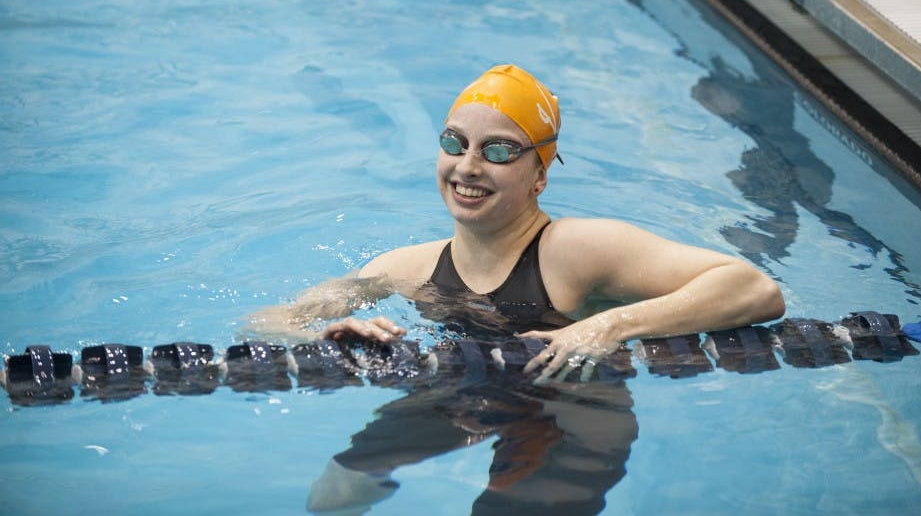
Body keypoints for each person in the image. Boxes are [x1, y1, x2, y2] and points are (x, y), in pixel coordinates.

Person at [249, 63, 785, 514]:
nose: (468, 167)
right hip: (458, 396)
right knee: (335, 493)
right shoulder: (403, 268)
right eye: (455, 143)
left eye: (499, 151)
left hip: (570, 413)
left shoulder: (577, 250)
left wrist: (607, 325)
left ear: (539, 176)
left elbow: (753, 288)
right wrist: (324, 337)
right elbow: (270, 321)